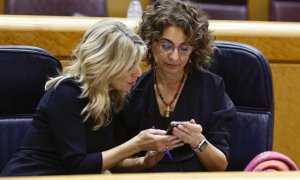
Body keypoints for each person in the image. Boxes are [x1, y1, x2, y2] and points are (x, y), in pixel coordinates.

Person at [1, 19, 183, 176]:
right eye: (130, 66)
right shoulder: (66, 93)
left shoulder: (113, 97)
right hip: (32, 176)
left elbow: (101, 160)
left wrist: (143, 162)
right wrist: (136, 144)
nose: (138, 72)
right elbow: (79, 166)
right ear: (106, 65)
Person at [117, 0, 236, 172]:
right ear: (152, 42)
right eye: (166, 46)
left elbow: (220, 166)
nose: (174, 57)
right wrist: (143, 159)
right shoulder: (132, 89)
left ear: (194, 49)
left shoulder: (212, 87)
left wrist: (198, 142)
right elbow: (115, 164)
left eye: (184, 48)